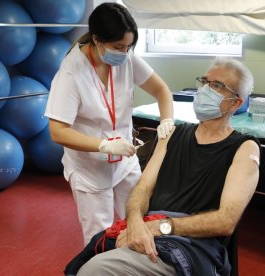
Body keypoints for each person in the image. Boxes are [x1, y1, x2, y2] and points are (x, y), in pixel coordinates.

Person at [70, 57, 261, 275]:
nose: (205, 89)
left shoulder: (244, 149)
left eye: (217, 86)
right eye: (204, 82)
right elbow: (142, 189)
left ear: (236, 103)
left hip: (191, 244)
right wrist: (135, 223)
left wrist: (160, 227)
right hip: (150, 231)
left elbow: (226, 221)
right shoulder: (172, 135)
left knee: (94, 271)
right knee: (91, 260)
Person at [44, 2, 174, 246]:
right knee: (100, 239)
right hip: (90, 170)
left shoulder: (125, 58)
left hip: (125, 162)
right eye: (119, 47)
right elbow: (57, 132)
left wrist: (167, 119)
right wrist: (103, 145)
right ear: (97, 39)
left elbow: (161, 89)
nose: (124, 53)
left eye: (128, 47)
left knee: (141, 222)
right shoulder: (71, 73)